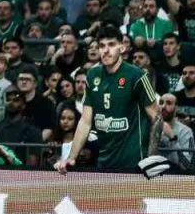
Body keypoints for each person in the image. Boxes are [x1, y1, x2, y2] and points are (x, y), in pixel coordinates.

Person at [55, 27, 162, 174]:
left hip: (135, 163)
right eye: (102, 46)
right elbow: (85, 121)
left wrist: (152, 158)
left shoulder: (137, 76)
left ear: (122, 47)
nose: (106, 50)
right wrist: (71, 157)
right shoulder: (92, 75)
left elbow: (157, 117)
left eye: (111, 45)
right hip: (104, 162)